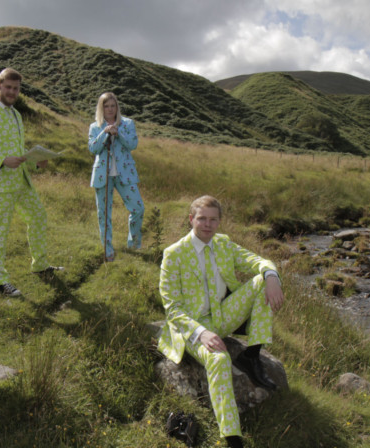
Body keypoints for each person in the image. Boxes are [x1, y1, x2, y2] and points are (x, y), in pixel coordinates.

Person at [157, 195, 285, 448]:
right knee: (218, 358)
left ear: (219, 222)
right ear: (191, 219)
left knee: (261, 281)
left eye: (213, 219)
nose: (207, 224)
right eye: (202, 218)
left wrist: (272, 276)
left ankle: (252, 355)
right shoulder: (174, 254)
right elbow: (171, 307)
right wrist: (201, 333)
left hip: (222, 316)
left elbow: (258, 261)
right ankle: (232, 436)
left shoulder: (224, 244)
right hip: (192, 327)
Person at [0, 68, 62, 296]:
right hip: (0, 183)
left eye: (16, 88)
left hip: (22, 180)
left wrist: (35, 162)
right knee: (0, 229)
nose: (12, 92)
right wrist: (2, 160)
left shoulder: (16, 115)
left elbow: (18, 151)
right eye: (8, 87)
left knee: (38, 216)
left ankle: (39, 265)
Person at [88, 92, 144, 262]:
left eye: (113, 106)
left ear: (117, 107)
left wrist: (118, 133)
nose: (110, 109)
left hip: (125, 173)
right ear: (101, 108)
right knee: (104, 213)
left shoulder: (127, 123)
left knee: (138, 208)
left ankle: (133, 245)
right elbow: (93, 149)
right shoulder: (95, 126)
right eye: (106, 106)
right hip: (102, 175)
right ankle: (108, 249)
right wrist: (105, 133)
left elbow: (133, 144)